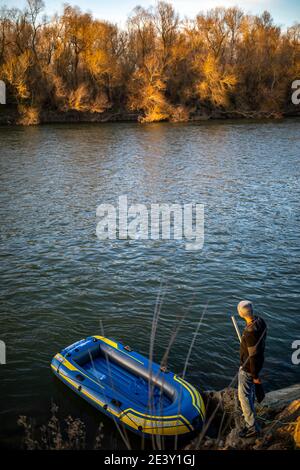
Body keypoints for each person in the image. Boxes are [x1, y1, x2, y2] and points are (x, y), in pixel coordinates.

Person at [237, 300, 267, 438]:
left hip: (248, 369)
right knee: (250, 393)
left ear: (240, 314)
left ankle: (251, 426)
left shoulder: (250, 332)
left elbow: (252, 356)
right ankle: (252, 419)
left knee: (243, 397)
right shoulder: (261, 322)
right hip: (259, 363)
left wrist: (254, 376)